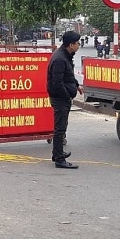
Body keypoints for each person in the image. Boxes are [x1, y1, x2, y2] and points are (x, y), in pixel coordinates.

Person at [46, 31, 83, 169]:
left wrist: (76, 85)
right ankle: (59, 160)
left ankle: (57, 153)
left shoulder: (66, 56)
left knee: (62, 127)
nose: (79, 45)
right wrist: (67, 95)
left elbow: (68, 75)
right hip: (60, 98)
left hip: (63, 97)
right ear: (71, 44)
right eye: (78, 43)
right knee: (60, 129)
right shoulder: (60, 59)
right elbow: (57, 83)